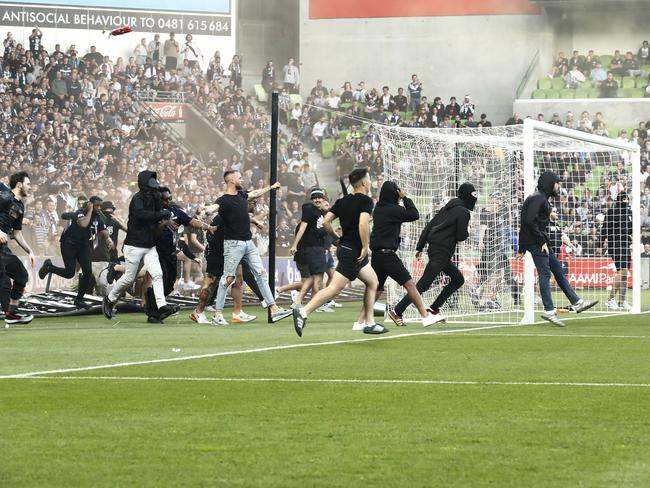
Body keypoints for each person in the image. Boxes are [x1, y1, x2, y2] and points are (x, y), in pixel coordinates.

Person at [292, 168, 387, 337]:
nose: (370, 182)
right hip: (355, 252)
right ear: (364, 182)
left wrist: (336, 237)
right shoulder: (366, 201)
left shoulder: (342, 202)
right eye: (369, 179)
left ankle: (369, 322)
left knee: (373, 282)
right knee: (334, 289)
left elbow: (327, 221)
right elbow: (363, 224)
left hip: (348, 248)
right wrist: (365, 246)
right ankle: (304, 311)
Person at [518, 171, 598, 326]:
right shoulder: (538, 198)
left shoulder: (541, 198)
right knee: (545, 273)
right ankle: (549, 311)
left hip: (538, 241)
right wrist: (539, 242)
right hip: (536, 242)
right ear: (550, 183)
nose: (559, 186)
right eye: (557, 183)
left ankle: (577, 302)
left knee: (557, 270)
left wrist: (523, 247)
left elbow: (527, 220)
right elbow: (528, 221)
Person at [212, 171, 292, 324]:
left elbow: (255, 193)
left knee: (261, 273)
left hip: (248, 243)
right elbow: (214, 207)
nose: (243, 179)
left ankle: (274, 309)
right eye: (240, 177)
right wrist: (207, 209)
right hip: (233, 244)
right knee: (228, 278)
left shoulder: (242, 195)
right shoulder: (222, 200)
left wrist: (272, 187)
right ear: (231, 180)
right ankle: (218, 314)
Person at [392, 183, 477, 323]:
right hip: (442, 252)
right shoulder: (463, 212)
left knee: (458, 279)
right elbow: (461, 236)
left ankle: (434, 309)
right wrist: (468, 230)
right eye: (474, 195)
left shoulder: (447, 208)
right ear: (468, 196)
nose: (475, 198)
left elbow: (429, 226)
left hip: (436, 250)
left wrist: (419, 247)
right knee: (423, 284)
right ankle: (397, 311)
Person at [102, 171, 178, 322]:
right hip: (134, 245)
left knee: (157, 274)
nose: (153, 189)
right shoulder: (137, 199)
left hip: (149, 245)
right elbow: (141, 215)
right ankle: (109, 299)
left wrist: (162, 215)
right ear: (143, 184)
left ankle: (162, 305)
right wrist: (161, 214)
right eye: (151, 185)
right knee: (129, 278)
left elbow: (157, 214)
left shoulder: (155, 197)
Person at [371, 181, 439, 327]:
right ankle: (425, 316)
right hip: (388, 255)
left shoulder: (378, 208)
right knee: (409, 284)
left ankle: (363, 319)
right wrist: (405, 198)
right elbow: (414, 214)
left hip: (377, 255)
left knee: (376, 289)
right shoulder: (393, 209)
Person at [144, 187, 215, 323]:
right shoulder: (153, 213)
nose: (168, 201)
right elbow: (150, 231)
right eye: (165, 199)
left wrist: (207, 227)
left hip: (170, 252)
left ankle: (152, 303)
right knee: (162, 279)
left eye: (170, 198)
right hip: (156, 252)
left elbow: (191, 221)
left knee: (170, 284)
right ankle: (154, 312)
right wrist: (163, 224)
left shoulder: (175, 212)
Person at [38, 196, 114, 309]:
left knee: (87, 271)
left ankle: (79, 300)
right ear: (90, 204)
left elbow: (103, 231)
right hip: (69, 244)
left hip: (83, 246)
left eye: (100, 206)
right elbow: (83, 224)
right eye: (96, 205)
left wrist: (108, 240)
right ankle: (49, 267)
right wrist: (90, 210)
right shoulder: (81, 213)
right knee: (69, 273)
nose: (99, 208)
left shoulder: (98, 217)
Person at [190, 209, 264, 325]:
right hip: (217, 254)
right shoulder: (222, 218)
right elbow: (213, 236)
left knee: (239, 277)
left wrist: (254, 221)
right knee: (210, 283)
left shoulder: (230, 215)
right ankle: (198, 312)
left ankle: (238, 312)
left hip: (230, 252)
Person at [0, 172, 35, 326]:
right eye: (28, 184)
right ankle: (9, 313)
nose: (30, 187)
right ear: (19, 184)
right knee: (4, 281)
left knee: (21, 275)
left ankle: (12, 313)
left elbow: (17, 233)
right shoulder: (5, 197)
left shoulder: (20, 206)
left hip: (3, 248)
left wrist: (30, 251)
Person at [290, 188, 329, 309]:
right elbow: (302, 228)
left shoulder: (321, 212)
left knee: (315, 277)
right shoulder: (308, 209)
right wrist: (294, 245)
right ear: (311, 199)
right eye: (315, 198)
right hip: (313, 248)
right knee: (317, 277)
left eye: (319, 197)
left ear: (323, 199)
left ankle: (300, 302)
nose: (317, 200)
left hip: (318, 248)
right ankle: (314, 304)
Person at [602, 191, 633, 311]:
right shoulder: (611, 212)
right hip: (615, 244)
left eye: (627, 199)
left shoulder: (630, 213)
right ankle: (610, 299)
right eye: (625, 199)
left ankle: (622, 301)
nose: (626, 201)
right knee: (623, 271)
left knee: (625, 274)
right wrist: (601, 243)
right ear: (620, 200)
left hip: (626, 245)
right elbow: (605, 229)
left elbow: (631, 229)